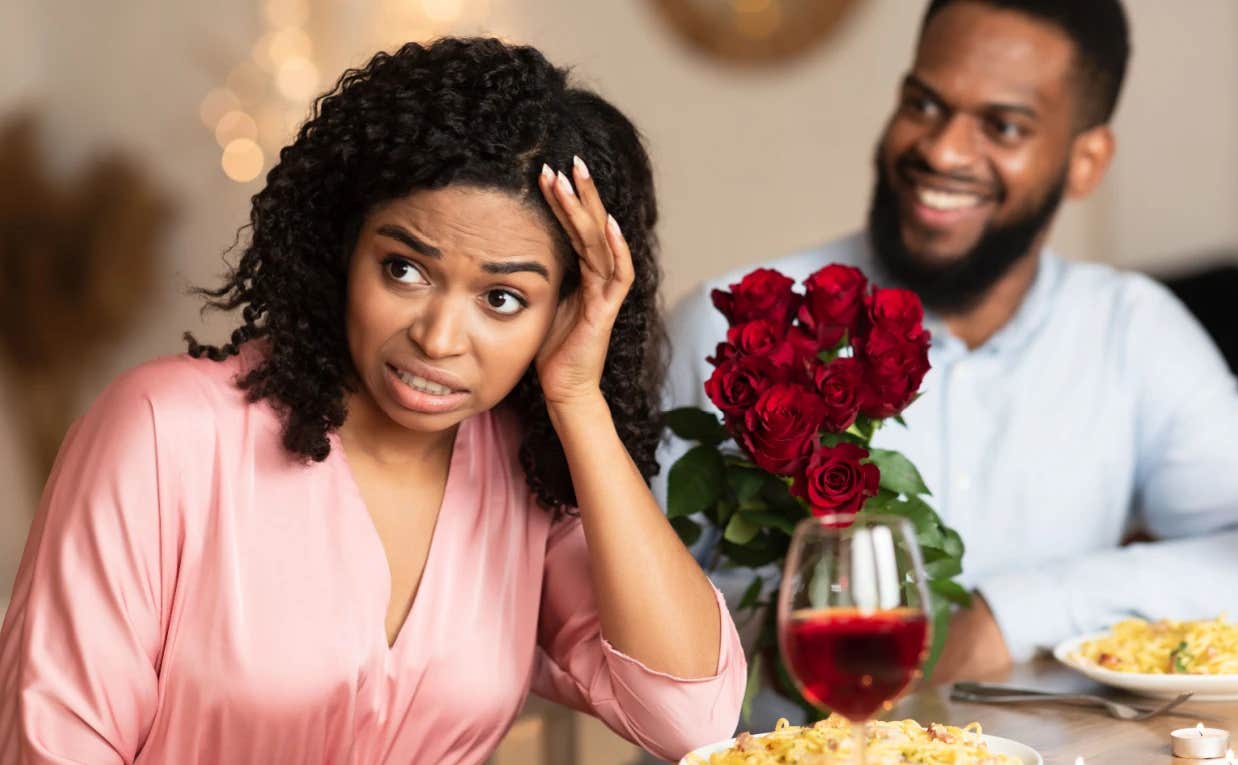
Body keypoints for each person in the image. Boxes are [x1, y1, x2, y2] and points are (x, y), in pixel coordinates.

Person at [0, 37, 744, 763]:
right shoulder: (165, 433)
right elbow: (55, 741)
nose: (441, 336)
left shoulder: (526, 478)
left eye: (503, 298)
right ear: (343, 244)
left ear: (566, 310)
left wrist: (578, 397)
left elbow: (690, 717)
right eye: (404, 269)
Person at [660, 0, 1238, 727]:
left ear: (1086, 161)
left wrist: (1011, 613)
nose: (943, 151)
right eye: (924, 103)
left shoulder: (1132, 330)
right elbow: (609, 617)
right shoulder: (732, 328)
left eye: (1003, 125)